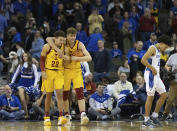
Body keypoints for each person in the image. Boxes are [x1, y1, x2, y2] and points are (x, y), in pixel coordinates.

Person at [46, 27, 92, 125]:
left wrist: (74, 58)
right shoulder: (63, 42)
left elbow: (89, 57)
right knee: (65, 95)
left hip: (77, 72)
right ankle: (67, 115)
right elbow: (48, 39)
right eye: (71, 36)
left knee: (80, 93)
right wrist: (57, 50)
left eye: (74, 35)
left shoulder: (79, 44)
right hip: (65, 71)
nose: (73, 38)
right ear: (67, 36)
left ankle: (83, 115)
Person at [141, 34, 172, 127]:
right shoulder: (152, 48)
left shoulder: (158, 49)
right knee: (150, 97)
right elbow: (143, 60)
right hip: (150, 75)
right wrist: (151, 68)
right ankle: (146, 120)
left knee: (164, 95)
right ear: (162, 43)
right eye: (165, 46)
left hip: (156, 76)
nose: (165, 49)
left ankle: (154, 116)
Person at [40, 31, 68, 126]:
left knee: (60, 94)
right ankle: (46, 117)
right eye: (60, 40)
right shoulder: (47, 46)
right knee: (48, 95)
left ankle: (61, 116)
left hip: (59, 72)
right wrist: (43, 71)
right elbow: (42, 60)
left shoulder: (65, 47)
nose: (62, 42)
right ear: (55, 39)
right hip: (49, 72)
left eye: (63, 40)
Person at [10, 52, 39, 119]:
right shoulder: (21, 65)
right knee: (22, 99)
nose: (24, 57)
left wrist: (34, 85)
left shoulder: (33, 65)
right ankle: (26, 114)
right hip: (21, 83)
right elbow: (15, 74)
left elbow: (36, 76)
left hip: (29, 83)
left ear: (29, 57)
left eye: (25, 56)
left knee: (27, 100)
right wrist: (12, 83)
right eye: (23, 56)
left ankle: (25, 112)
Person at [160, 51, 177, 120]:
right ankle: (165, 114)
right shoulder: (172, 56)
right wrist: (167, 68)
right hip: (174, 81)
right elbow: (166, 65)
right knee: (170, 99)